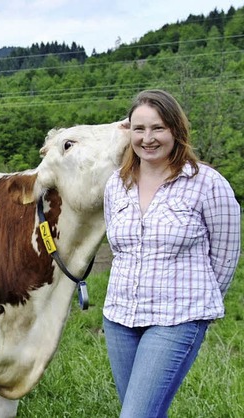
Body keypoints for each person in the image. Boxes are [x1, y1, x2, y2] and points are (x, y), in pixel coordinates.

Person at [102, 89, 241, 417]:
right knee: (148, 412)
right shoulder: (116, 185)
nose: (147, 138)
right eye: (139, 129)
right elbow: (120, 248)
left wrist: (198, 309)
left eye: (158, 128)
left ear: (176, 131)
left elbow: (225, 254)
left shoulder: (207, 183)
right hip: (120, 318)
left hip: (176, 319)